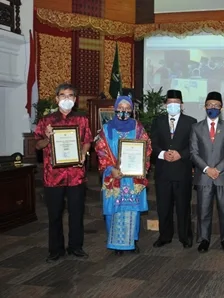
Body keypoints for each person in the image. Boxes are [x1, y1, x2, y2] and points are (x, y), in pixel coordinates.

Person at [34, 83, 92, 262]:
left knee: (76, 213)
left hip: (76, 175)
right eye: (62, 96)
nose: (66, 99)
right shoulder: (46, 121)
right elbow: (37, 145)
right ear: (56, 98)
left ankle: (76, 246)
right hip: (53, 176)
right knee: (55, 214)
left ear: (75, 100)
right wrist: (47, 137)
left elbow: (87, 141)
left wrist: (83, 154)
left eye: (70, 96)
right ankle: (55, 250)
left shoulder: (82, 120)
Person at [94, 95, 152, 255]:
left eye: (128, 108)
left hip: (133, 178)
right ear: (115, 108)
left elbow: (146, 149)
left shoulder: (138, 128)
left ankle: (131, 241)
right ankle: (115, 244)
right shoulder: (106, 129)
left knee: (132, 209)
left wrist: (141, 165)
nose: (124, 111)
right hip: (114, 176)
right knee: (115, 209)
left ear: (132, 110)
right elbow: (100, 150)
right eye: (121, 107)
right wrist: (111, 169)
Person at [190, 92, 224, 253]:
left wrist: (217, 169)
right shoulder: (196, 128)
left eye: (216, 105)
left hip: (222, 176)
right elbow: (193, 153)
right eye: (209, 105)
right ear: (205, 106)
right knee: (203, 210)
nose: (213, 108)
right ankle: (204, 239)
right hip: (204, 176)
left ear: (221, 108)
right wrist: (207, 169)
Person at [151, 89, 197, 248]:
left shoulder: (191, 122)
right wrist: (163, 154)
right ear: (165, 105)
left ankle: (185, 236)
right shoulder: (158, 121)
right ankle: (164, 236)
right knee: (163, 206)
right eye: (170, 103)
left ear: (182, 105)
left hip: (182, 170)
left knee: (183, 206)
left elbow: (194, 145)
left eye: (176, 103)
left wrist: (181, 155)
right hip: (163, 171)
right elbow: (153, 143)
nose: (173, 105)